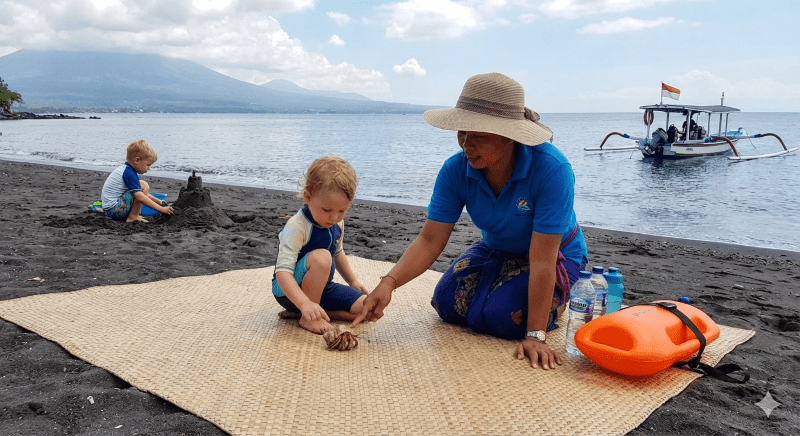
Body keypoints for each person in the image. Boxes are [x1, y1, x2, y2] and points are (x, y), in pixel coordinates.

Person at [351, 73, 588, 370]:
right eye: (463, 132)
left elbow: (542, 259)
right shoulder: (455, 170)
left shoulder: (552, 169)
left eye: (480, 136)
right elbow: (429, 240)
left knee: (504, 319)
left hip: (553, 255)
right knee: (446, 303)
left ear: (510, 136)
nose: (467, 144)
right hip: (497, 249)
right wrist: (389, 283)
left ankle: (559, 301)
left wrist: (535, 334)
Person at [272, 156, 369, 334]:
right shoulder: (297, 226)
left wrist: (353, 281)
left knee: (367, 307)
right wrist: (304, 303)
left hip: (322, 288)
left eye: (342, 210)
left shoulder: (337, 223)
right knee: (323, 257)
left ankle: (315, 313)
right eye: (327, 210)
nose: (334, 217)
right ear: (308, 197)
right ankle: (307, 315)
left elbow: (338, 253)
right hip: (290, 292)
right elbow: (282, 272)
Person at [100, 139, 174, 222]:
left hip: (110, 210)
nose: (149, 168)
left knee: (141, 186)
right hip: (115, 210)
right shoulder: (129, 173)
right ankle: (133, 217)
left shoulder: (126, 170)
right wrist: (161, 209)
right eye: (148, 165)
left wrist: (160, 202)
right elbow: (140, 197)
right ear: (137, 160)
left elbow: (140, 194)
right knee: (143, 185)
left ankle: (133, 215)